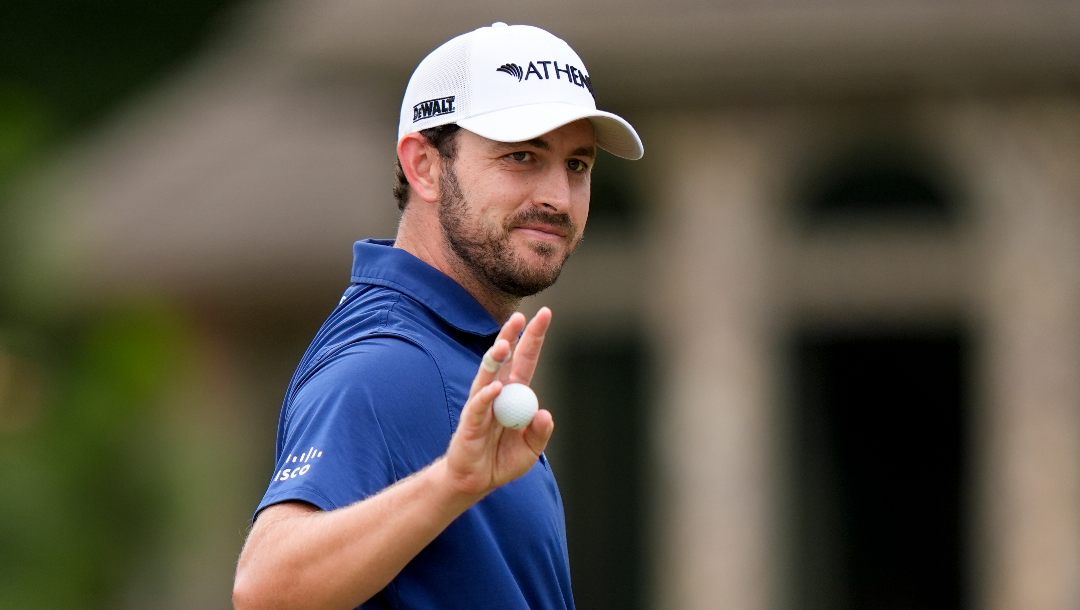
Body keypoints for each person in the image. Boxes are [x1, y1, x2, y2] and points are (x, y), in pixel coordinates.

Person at [232, 22, 643, 610]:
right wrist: (451, 482)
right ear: (424, 165)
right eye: (522, 156)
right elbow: (265, 589)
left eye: (577, 165)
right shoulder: (393, 362)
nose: (558, 196)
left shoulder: (445, 348)